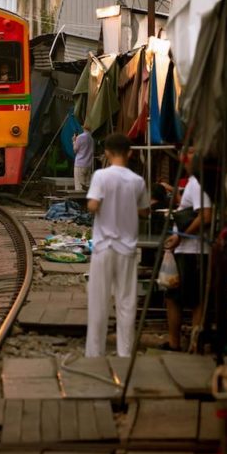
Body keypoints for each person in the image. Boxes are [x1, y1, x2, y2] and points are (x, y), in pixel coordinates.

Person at [85, 132, 150, 358]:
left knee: (99, 302)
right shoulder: (138, 181)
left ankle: (95, 353)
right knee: (126, 302)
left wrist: (101, 201)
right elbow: (144, 211)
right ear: (130, 153)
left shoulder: (101, 176)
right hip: (127, 248)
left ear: (107, 153)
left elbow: (93, 205)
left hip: (103, 247)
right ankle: (125, 353)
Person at [162, 149, 212, 352]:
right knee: (179, 296)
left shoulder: (199, 183)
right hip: (187, 248)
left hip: (192, 249)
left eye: (191, 153)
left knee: (182, 298)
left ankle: (187, 343)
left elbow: (205, 216)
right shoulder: (193, 182)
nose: (185, 158)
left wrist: (180, 236)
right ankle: (188, 342)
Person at [72, 123, 94, 191]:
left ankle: (79, 201)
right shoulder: (91, 139)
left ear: (83, 128)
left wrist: (74, 141)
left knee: (79, 186)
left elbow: (75, 150)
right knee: (87, 186)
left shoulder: (80, 137)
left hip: (80, 164)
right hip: (88, 164)